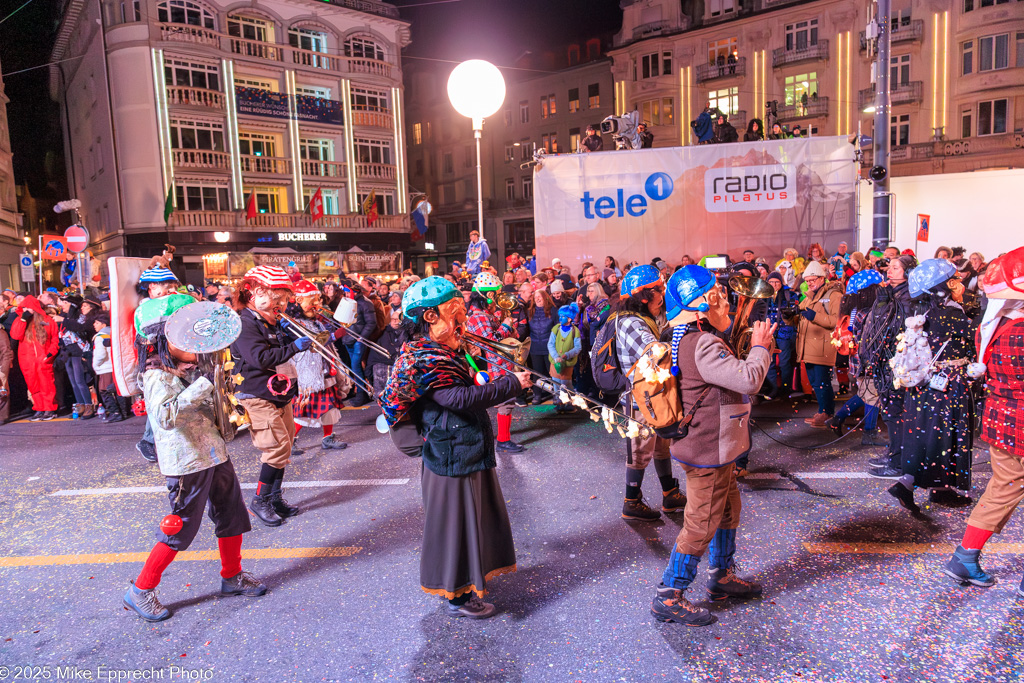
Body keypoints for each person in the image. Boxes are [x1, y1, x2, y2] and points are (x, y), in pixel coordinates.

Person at [380, 277, 530, 619]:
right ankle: (456, 595)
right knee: (453, 527)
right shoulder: (423, 356)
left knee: (472, 521)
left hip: (463, 446)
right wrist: (509, 384)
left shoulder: (445, 349)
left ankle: (467, 584)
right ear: (430, 317)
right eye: (455, 313)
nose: (463, 320)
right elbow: (457, 398)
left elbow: (467, 386)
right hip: (449, 453)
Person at [123, 295, 265, 622]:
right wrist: (205, 383)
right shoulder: (158, 375)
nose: (196, 344)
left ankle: (232, 576)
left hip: (214, 454)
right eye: (185, 338)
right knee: (179, 528)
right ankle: (140, 590)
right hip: (187, 463)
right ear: (163, 340)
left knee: (232, 515)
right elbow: (165, 416)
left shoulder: (188, 367)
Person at [651, 265, 774, 626]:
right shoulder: (701, 342)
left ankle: (721, 577)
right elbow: (749, 379)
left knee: (728, 510)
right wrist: (759, 347)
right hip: (708, 449)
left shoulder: (685, 336)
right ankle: (669, 593)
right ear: (702, 302)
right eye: (719, 295)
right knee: (701, 522)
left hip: (718, 447)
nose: (727, 302)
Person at [942, 246, 1024, 591]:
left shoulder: (993, 325)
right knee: (1005, 488)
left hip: (1002, 420)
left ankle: (965, 556)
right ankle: (964, 557)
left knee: (1004, 488)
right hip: (1019, 420)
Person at [886, 260, 977, 513]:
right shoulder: (953, 315)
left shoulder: (923, 315)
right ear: (943, 287)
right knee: (943, 436)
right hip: (948, 386)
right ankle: (908, 483)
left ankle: (940, 489)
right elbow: (976, 335)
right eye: (954, 280)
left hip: (924, 386)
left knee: (923, 433)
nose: (959, 284)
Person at [231, 266, 311, 527]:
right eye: (274, 296)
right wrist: (293, 346)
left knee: (285, 446)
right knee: (275, 447)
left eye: (284, 298)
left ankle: (275, 497)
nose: (280, 303)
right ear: (253, 294)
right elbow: (260, 359)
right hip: (257, 394)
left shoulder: (272, 321)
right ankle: (261, 499)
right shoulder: (245, 322)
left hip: (281, 392)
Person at [612, 266, 687, 520]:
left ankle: (669, 494)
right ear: (643, 295)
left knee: (661, 446)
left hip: (655, 392)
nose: (663, 294)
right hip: (639, 396)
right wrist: (682, 342)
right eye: (659, 289)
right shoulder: (630, 322)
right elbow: (655, 352)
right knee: (640, 450)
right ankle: (630, 502)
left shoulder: (646, 317)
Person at [865, 255, 918, 477]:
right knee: (889, 412)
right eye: (890, 267)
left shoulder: (910, 296)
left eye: (896, 268)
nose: (890, 271)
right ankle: (893, 453)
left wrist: (887, 304)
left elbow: (899, 327)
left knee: (895, 412)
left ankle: (898, 463)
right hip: (884, 361)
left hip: (897, 362)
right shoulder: (892, 293)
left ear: (908, 272)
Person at [287, 280, 351, 452]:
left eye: (317, 300)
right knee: (304, 410)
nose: (316, 304)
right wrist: (335, 335)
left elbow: (323, 336)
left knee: (330, 407)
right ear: (298, 301)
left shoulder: (316, 320)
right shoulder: (293, 322)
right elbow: (314, 342)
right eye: (312, 300)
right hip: (308, 372)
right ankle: (290, 440)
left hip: (324, 370)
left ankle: (327, 438)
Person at [466, 272, 525, 453]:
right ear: (488, 295)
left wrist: (509, 328)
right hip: (494, 366)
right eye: (495, 293)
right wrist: (506, 325)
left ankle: (498, 439)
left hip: (499, 363)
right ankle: (502, 441)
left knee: (506, 401)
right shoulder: (479, 316)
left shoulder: (485, 314)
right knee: (504, 401)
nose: (498, 297)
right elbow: (491, 342)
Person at [826, 270, 886, 445]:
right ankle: (870, 433)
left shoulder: (853, 311)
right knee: (873, 395)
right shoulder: (868, 313)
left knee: (864, 394)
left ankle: (837, 419)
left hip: (857, 360)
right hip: (868, 360)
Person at [796, 261, 843, 427]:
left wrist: (814, 316)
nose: (809, 283)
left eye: (813, 280)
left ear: (822, 278)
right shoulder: (809, 297)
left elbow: (835, 321)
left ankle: (827, 413)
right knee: (816, 383)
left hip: (823, 348)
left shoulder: (834, 295)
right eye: (807, 281)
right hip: (808, 347)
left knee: (823, 383)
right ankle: (823, 411)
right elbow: (800, 316)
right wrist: (789, 316)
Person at [10, 295, 59, 421]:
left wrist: (50, 354)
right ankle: (39, 408)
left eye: (27, 307)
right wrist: (23, 320)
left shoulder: (46, 320)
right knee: (33, 385)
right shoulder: (21, 320)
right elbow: (15, 335)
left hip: (43, 359)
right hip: (27, 360)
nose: (25, 310)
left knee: (46, 384)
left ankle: (49, 408)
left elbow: (54, 339)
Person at [53, 293, 97, 419]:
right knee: (73, 382)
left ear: (72, 305)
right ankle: (80, 405)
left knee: (80, 380)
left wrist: (64, 320)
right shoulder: (62, 316)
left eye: (65, 303)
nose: (62, 306)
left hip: (79, 351)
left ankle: (89, 405)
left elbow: (80, 327)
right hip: (67, 352)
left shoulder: (79, 316)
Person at [339, 278, 377, 407]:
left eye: (346, 291)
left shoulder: (365, 303)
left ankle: (362, 394)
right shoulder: (350, 301)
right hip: (349, 338)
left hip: (358, 339)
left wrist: (361, 337)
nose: (345, 294)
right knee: (355, 367)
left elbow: (371, 322)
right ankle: (362, 392)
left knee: (356, 367)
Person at [763, 271, 798, 399]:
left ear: (781, 282)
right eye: (771, 282)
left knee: (784, 362)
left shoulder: (789, 294)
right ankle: (772, 389)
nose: (774, 284)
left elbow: (795, 308)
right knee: (769, 362)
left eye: (776, 282)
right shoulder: (763, 294)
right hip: (768, 332)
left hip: (784, 333)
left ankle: (785, 388)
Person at [548, 303, 582, 414]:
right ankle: (559, 402)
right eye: (560, 316)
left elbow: (578, 347)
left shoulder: (574, 331)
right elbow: (550, 344)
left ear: (569, 318)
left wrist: (567, 355)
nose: (560, 318)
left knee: (566, 383)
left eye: (563, 316)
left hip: (567, 364)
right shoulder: (556, 329)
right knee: (556, 382)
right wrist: (556, 356)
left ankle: (569, 402)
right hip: (555, 362)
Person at [527, 288, 556, 404]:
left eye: (540, 296)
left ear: (545, 298)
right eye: (535, 297)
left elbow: (557, 328)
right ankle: (537, 394)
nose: (537, 299)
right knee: (537, 373)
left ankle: (556, 394)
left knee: (553, 373)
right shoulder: (530, 312)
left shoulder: (553, 311)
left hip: (549, 347)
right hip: (535, 347)